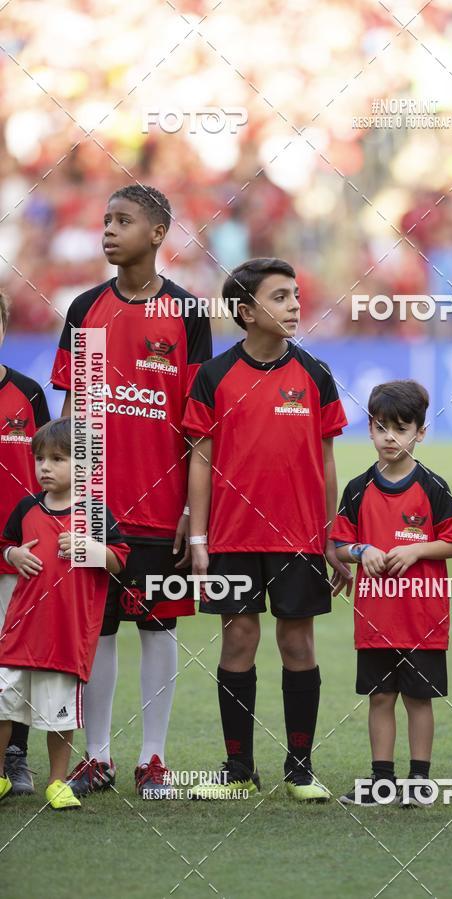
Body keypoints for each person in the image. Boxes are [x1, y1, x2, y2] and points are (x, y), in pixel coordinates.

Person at [50, 185, 212, 798]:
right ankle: (97, 756)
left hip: (162, 506)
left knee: (158, 627)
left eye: (124, 221)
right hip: (96, 505)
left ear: (158, 233)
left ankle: (153, 758)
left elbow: (198, 422)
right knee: (97, 630)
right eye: (106, 220)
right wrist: (70, 501)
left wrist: (192, 507)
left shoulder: (188, 313)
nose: (109, 230)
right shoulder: (85, 309)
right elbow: (72, 415)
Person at [184, 257, 351, 801]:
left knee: (298, 643)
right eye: (280, 297)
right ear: (246, 311)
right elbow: (201, 460)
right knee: (238, 639)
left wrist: (331, 534)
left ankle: (300, 769)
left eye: (296, 295)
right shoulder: (212, 376)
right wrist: (199, 538)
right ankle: (238, 770)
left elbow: (327, 461)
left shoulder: (316, 374)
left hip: (299, 537)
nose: (295, 305)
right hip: (231, 537)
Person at [332, 380, 452, 806]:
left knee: (419, 699)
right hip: (376, 621)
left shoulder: (433, 487)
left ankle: (419, 780)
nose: (390, 437)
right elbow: (339, 545)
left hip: (422, 619)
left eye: (401, 428)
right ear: (370, 429)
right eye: (381, 427)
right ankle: (382, 780)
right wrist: (362, 550)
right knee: (380, 697)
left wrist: (417, 549)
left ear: (420, 433)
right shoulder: (357, 488)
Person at [0, 418, 129, 808]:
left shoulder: (95, 513)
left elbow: (119, 560)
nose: (45, 467)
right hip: (20, 631)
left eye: (57, 459)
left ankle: (57, 782)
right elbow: (6, 543)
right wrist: (12, 554)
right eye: (40, 458)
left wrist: (89, 548)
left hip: (65, 636)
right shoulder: (26, 508)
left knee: (59, 715)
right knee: (3, 703)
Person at [0, 290, 50, 794]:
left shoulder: (29, 392)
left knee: (15, 663)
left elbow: (52, 470)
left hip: (20, 556)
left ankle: (15, 759)